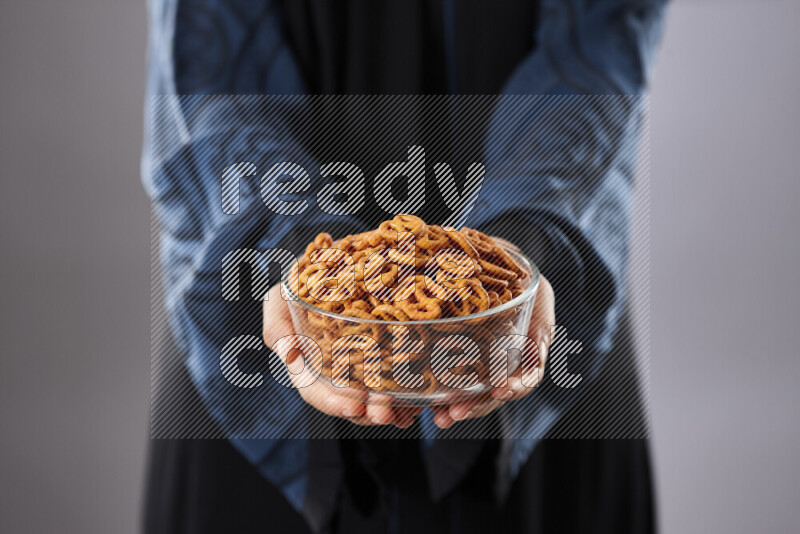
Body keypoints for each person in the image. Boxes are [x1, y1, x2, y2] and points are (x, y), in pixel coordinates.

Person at [143, 1, 667, 532]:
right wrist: (294, 257)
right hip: (258, 331)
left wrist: (524, 242)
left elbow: (603, 35)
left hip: (542, 317)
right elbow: (209, 59)